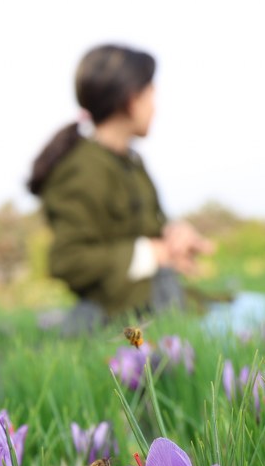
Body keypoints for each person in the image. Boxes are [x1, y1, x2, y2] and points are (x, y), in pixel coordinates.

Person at [27, 44, 213, 336]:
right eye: (151, 94)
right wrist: (151, 253)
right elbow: (67, 259)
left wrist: (174, 237)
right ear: (130, 99)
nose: (155, 106)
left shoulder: (131, 162)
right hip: (116, 319)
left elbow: (151, 227)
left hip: (160, 300)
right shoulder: (82, 168)